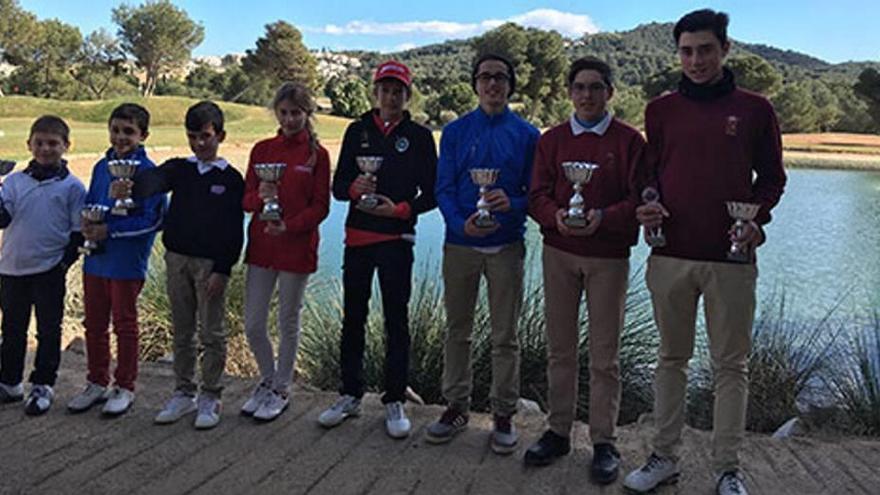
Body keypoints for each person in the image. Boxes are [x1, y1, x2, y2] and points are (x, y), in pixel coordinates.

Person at [622, 10, 786, 495]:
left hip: (732, 258)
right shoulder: (661, 110)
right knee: (670, 360)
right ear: (678, 53)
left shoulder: (756, 109)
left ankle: (727, 469)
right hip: (670, 254)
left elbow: (772, 180)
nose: (695, 60)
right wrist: (646, 204)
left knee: (730, 366)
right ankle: (663, 457)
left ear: (725, 49)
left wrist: (757, 221)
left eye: (705, 50)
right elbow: (648, 175)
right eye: (687, 51)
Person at [524, 58, 644, 484]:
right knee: (560, 349)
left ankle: (604, 441)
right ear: (569, 93)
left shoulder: (630, 141)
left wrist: (604, 218)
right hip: (559, 252)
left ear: (610, 91)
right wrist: (555, 216)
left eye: (596, 87)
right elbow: (535, 194)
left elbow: (639, 200)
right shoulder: (552, 140)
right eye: (579, 87)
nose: (587, 95)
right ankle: (558, 431)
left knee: (605, 356)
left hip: (608, 257)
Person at [427, 53, 539, 454]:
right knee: (458, 331)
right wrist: (461, 224)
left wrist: (513, 203)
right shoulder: (455, 132)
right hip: (460, 245)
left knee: (505, 335)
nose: (493, 84)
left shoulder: (528, 135)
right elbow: (443, 188)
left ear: (510, 84)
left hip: (507, 246)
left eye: (500, 77)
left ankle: (503, 412)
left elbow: (537, 194)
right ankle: (456, 406)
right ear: (475, 84)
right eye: (485, 77)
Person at [319, 61, 437, 439]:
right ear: (376, 92)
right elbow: (339, 187)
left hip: (396, 239)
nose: (391, 96)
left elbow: (432, 194)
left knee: (396, 320)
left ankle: (393, 397)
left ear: (407, 95)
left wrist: (401, 210)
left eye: (398, 90)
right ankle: (350, 394)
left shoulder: (418, 136)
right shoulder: (357, 130)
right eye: (385, 89)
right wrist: (355, 190)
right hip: (358, 236)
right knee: (353, 317)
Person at [118, 101, 245, 430]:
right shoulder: (180, 169)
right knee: (183, 331)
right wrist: (130, 183)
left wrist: (223, 269)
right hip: (176, 259)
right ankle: (184, 392)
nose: (199, 143)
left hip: (209, 265)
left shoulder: (231, 179)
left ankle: (211, 395)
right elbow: (152, 182)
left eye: (205, 136)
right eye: (192, 137)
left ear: (220, 135)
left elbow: (233, 230)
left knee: (212, 333)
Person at [67, 103, 166, 417]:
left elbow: (153, 220)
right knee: (93, 324)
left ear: (143, 135)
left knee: (124, 324)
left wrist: (109, 229)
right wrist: (88, 226)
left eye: (128, 131)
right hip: (96, 259)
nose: (120, 137)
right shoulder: (100, 167)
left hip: (125, 261)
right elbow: (93, 205)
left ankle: (125, 386)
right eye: (115, 130)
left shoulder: (149, 172)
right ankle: (96, 381)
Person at [239, 82, 330, 422]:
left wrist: (290, 225)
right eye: (284, 113)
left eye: (296, 113)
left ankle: (281, 389)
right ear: (276, 113)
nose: (290, 119)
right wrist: (261, 196)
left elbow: (321, 207)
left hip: (297, 247)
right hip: (262, 246)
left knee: (288, 322)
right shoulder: (262, 150)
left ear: (308, 114)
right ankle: (267, 377)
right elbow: (246, 201)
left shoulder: (317, 155)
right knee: (253, 323)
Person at [0, 115, 86, 415]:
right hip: (12, 268)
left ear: (66, 146)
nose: (46, 149)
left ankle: (43, 385)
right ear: (29, 145)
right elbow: (3, 218)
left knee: (49, 331)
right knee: (12, 329)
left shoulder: (73, 187)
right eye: (39, 143)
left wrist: (63, 264)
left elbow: (77, 233)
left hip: (49, 269)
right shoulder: (13, 181)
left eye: (53, 143)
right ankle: (10, 382)